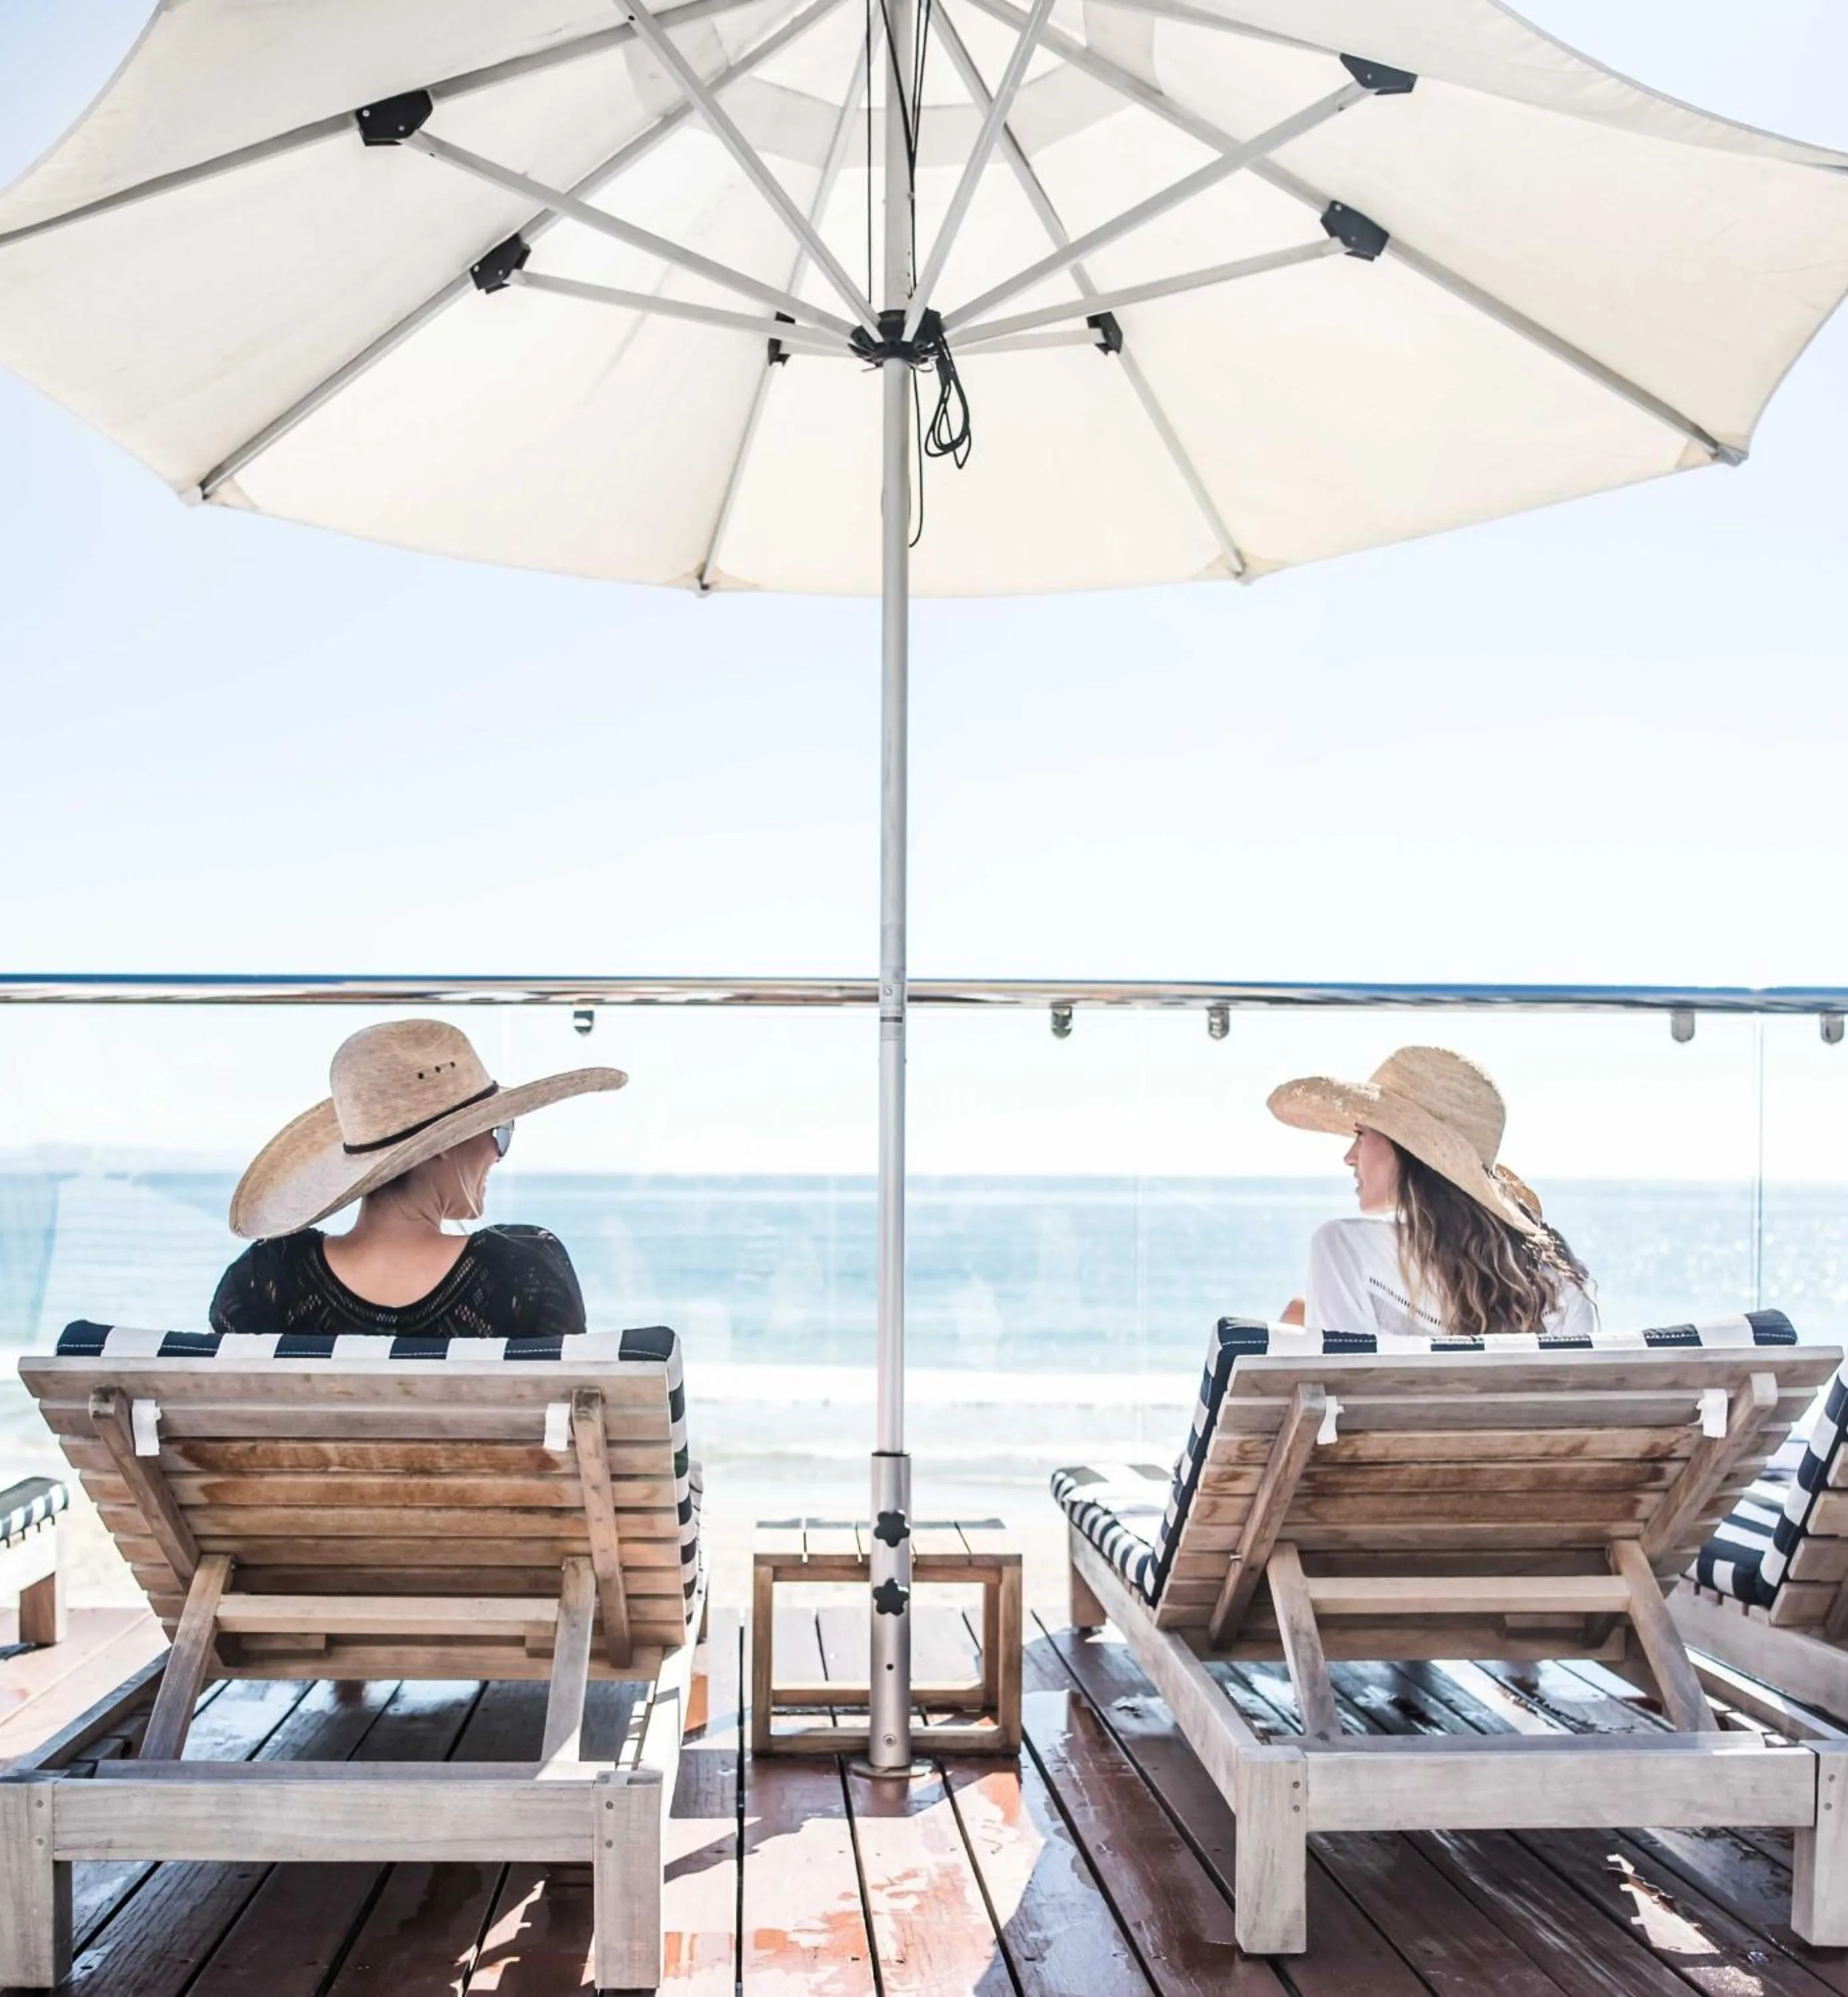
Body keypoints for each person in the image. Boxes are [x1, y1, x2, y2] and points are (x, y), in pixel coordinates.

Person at [210, 1018, 626, 1339]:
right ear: (443, 1144)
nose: (497, 1156)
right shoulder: (526, 1275)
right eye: (498, 1131)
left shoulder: (261, 1283)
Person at [1267, 1045, 1596, 1339]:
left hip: (1396, 1407)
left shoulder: (1343, 1246)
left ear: (1407, 1149)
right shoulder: (1554, 1272)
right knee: (1298, 1314)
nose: (1349, 1156)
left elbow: (1343, 1387)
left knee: (1295, 1318)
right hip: (1531, 1408)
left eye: (1361, 1134)